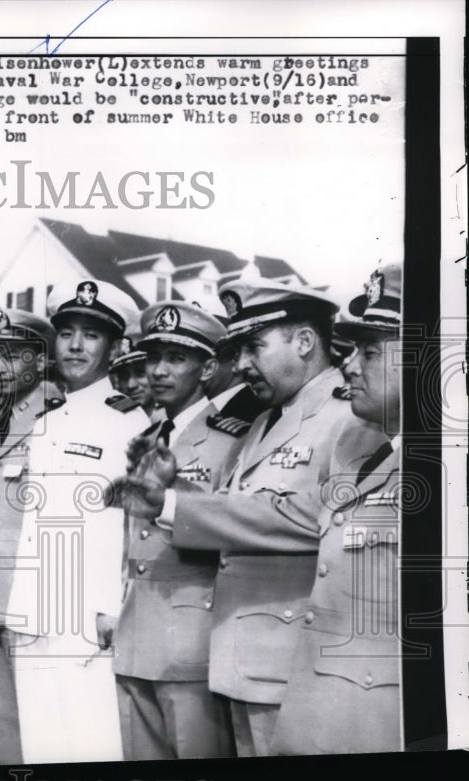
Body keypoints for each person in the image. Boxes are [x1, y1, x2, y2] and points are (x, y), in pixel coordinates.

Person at [129, 280, 359, 757]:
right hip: (244, 661)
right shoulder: (265, 421)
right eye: (239, 352)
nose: (241, 366)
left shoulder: (346, 417)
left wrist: (171, 505)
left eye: (254, 347)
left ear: (304, 341)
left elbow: (306, 517)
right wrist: (178, 491)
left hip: (293, 664)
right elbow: (239, 510)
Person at [3, 279, 148, 764]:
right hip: (37, 605)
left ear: (115, 347)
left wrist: (111, 607)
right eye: (66, 333)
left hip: (89, 612)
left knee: (92, 741)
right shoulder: (48, 419)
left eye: (91, 335)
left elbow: (130, 524)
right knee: (40, 743)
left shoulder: (129, 422)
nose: (76, 345)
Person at [271, 263, 403, 754]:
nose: (349, 367)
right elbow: (300, 518)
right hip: (317, 715)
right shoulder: (358, 446)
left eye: (370, 352)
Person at [112, 301, 239, 760]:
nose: (159, 371)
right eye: (154, 358)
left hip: (191, 639)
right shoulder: (148, 438)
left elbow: (234, 528)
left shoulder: (232, 438)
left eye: (176, 358)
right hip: (136, 635)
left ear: (207, 369)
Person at [0, 308, 63, 765]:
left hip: (33, 595)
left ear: (40, 360)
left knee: (41, 724)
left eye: (10, 355)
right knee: (0, 721)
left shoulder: (57, 413)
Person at [107, 325, 158, 419]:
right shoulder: (115, 417)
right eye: (124, 376)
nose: (130, 385)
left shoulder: (175, 416)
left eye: (140, 373)